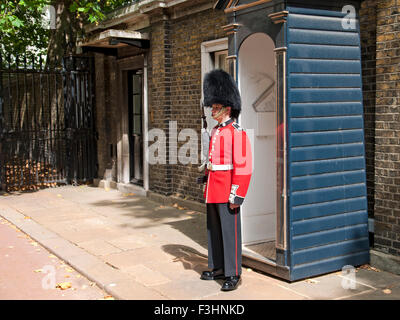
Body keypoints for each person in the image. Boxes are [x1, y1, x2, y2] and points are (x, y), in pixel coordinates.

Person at [198, 69, 252, 291]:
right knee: (214, 230)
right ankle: (218, 267)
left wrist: (237, 194)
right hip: (213, 187)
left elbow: (244, 167)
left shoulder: (236, 132)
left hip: (227, 188)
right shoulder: (216, 131)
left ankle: (233, 273)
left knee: (230, 233)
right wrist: (205, 177)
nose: (212, 110)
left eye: (216, 107)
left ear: (227, 108)